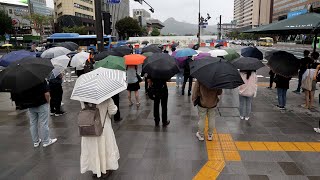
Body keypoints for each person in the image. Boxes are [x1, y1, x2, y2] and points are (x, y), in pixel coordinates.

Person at [80, 98, 119, 178]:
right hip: (103, 128)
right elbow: (112, 111)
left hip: (89, 127)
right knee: (105, 147)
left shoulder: (83, 98)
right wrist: (115, 107)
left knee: (92, 149)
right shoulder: (106, 98)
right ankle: (105, 169)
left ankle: (95, 169)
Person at [17, 81, 57, 147]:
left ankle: (36, 141)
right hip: (42, 104)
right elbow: (47, 94)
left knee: (33, 123)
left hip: (31, 105)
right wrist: (48, 102)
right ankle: (46, 141)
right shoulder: (41, 80)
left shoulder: (24, 82)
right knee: (44, 123)